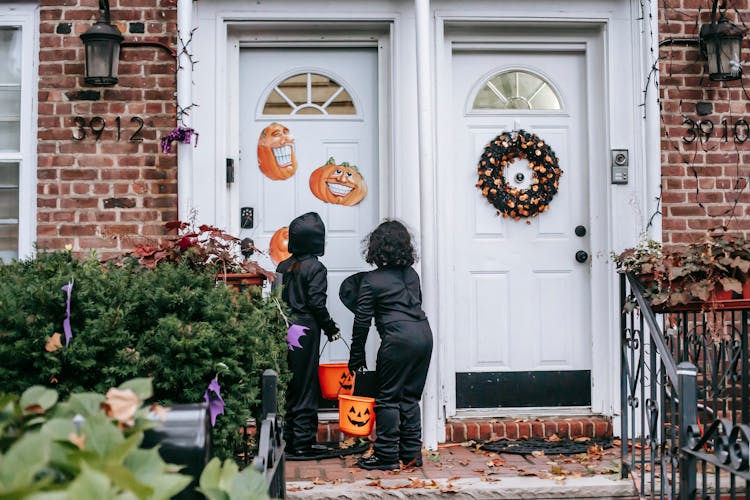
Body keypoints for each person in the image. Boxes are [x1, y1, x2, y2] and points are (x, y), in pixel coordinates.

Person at [343, 220, 434, 471]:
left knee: (387, 398)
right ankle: (412, 454)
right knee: (410, 397)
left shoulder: (372, 281)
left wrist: (356, 356)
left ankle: (385, 455)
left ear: (376, 248)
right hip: (424, 335)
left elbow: (361, 323)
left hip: (398, 340)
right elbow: (417, 303)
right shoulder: (412, 275)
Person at [277, 212, 340, 457]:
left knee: (292, 384)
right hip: (305, 329)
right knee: (306, 385)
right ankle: (302, 442)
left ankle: (290, 437)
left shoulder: (283, 266)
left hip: (286, 328)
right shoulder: (316, 268)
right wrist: (330, 327)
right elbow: (316, 303)